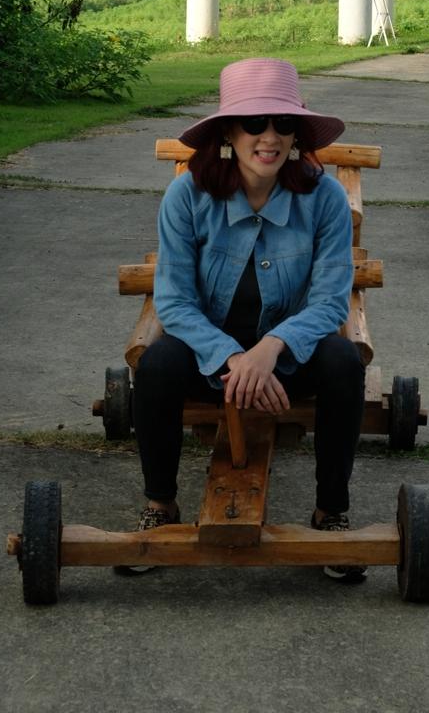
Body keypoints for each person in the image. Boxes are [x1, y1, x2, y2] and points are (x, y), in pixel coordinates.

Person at [130, 57, 367, 582]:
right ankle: (160, 504)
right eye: (255, 123)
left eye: (283, 124)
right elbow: (173, 302)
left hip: (288, 360)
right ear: (227, 134)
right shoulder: (186, 197)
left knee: (343, 361)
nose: (270, 137)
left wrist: (269, 351)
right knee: (158, 362)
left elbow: (331, 303)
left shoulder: (324, 198)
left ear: (297, 135)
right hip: (210, 357)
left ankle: (331, 512)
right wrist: (234, 358)